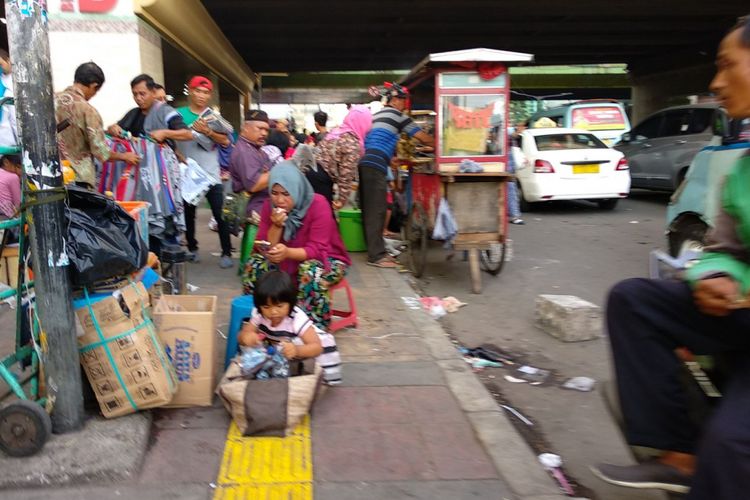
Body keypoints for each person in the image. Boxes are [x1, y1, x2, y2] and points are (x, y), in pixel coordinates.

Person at [590, 15, 750, 499]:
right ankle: (677, 456)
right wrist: (715, 275)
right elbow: (724, 250)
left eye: (727, 66)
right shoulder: (742, 169)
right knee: (633, 300)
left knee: (731, 447)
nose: (715, 82)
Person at [242, 162, 351, 330]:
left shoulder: (318, 204)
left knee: (310, 271)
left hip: (327, 259)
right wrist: (276, 226)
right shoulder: (268, 206)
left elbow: (317, 249)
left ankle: (312, 327)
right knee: (254, 264)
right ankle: (257, 319)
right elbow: (263, 246)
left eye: (286, 194)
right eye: (275, 193)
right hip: (286, 257)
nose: (279, 200)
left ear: (297, 189)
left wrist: (287, 252)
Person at [359, 82, 433, 268]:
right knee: (377, 209)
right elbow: (421, 137)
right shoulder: (398, 116)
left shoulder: (379, 115)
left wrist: (391, 160)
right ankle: (376, 256)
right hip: (375, 164)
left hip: (367, 162)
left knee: (370, 208)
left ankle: (374, 250)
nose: (404, 104)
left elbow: (379, 141)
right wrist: (441, 145)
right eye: (403, 100)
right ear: (395, 100)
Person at [238, 270, 341, 385]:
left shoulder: (296, 318)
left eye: (280, 306)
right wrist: (247, 337)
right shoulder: (259, 314)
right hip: (285, 349)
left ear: (291, 303)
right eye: (266, 306)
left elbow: (317, 348)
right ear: (259, 306)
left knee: (313, 379)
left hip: (317, 351)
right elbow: (242, 335)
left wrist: (297, 350)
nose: (273, 312)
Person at [175, 75, 234, 268]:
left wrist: (208, 131)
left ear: (210, 96)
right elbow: (169, 139)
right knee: (188, 214)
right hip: (188, 174)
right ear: (190, 92)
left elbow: (226, 141)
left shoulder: (213, 117)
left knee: (220, 213)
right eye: (197, 91)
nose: (201, 95)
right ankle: (192, 249)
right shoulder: (178, 114)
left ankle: (226, 252)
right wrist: (178, 155)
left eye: (206, 92)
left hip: (211, 174)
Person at [54, 62, 140, 188]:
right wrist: (124, 156)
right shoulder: (88, 111)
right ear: (94, 86)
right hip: (77, 180)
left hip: (50, 175)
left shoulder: (51, 99)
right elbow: (102, 153)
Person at [107, 74, 192, 147]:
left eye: (142, 94)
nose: (138, 98)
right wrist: (112, 129)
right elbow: (114, 130)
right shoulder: (133, 113)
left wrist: (165, 133)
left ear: (154, 92)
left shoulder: (166, 112)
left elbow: (188, 134)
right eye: (135, 94)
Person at [315, 104, 372, 210]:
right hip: (321, 179)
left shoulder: (336, 132)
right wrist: (342, 200)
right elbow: (346, 175)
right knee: (324, 216)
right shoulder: (352, 143)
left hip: (312, 172)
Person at [230, 109, 273, 226]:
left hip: (263, 203)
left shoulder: (257, 150)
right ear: (245, 127)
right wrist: (282, 169)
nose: (264, 133)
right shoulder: (244, 151)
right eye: (260, 128)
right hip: (255, 208)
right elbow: (254, 185)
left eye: (266, 130)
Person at [0, 49, 17, 149]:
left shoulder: (16, 80)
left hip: (11, 139)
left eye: (1, 64)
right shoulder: (2, 83)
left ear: (9, 60)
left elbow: (14, 119)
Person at [0, 154, 21, 219]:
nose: (20, 171)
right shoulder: (13, 177)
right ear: (6, 162)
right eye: (18, 167)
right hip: (5, 213)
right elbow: (17, 201)